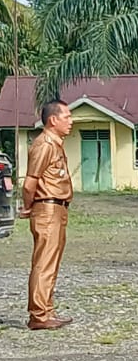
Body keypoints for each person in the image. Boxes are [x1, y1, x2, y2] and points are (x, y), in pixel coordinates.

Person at [20, 99, 75, 331]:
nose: (71, 121)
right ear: (53, 120)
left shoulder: (55, 144)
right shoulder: (44, 145)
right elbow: (29, 183)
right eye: (67, 117)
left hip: (58, 207)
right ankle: (38, 315)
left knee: (51, 262)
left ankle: (46, 309)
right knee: (44, 262)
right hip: (47, 207)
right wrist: (28, 207)